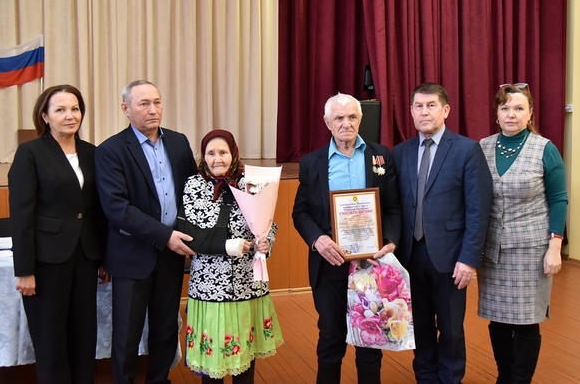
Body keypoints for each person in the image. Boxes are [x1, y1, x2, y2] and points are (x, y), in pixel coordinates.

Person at [292, 93, 402, 384]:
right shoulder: (311, 162)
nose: (346, 123)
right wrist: (318, 240)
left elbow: (393, 208)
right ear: (327, 123)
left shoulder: (380, 155)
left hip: (370, 264)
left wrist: (390, 241)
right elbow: (300, 212)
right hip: (330, 262)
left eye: (352, 117)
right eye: (339, 118)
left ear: (360, 120)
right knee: (331, 337)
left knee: (371, 340)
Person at [95, 80, 197, 384]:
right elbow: (117, 207)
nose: (153, 110)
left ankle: (159, 379)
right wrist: (165, 236)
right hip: (132, 256)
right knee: (127, 333)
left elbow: (192, 193)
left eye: (157, 102)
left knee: (165, 329)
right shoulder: (111, 150)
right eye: (144, 104)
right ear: (126, 109)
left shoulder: (178, 142)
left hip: (171, 255)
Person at [392, 82, 493, 384]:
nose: (424, 112)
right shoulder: (400, 153)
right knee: (420, 325)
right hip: (410, 256)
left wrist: (469, 259)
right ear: (411, 111)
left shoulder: (466, 150)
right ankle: (425, 377)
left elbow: (478, 209)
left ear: (445, 110)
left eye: (431, 105)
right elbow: (394, 206)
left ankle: (450, 379)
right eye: (418, 106)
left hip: (451, 258)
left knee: (450, 329)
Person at [8, 85, 108, 384]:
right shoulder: (31, 152)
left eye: (75, 109)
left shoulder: (91, 152)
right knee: (51, 340)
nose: (69, 115)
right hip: (46, 261)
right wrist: (24, 270)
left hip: (85, 257)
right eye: (60, 109)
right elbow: (21, 215)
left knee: (83, 337)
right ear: (45, 115)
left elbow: (97, 210)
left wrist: (103, 258)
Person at [477, 83, 568, 384]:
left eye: (519, 108)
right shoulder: (483, 147)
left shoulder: (545, 148)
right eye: (505, 108)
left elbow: (559, 199)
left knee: (527, 322)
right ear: (497, 113)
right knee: (498, 320)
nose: (511, 114)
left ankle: (520, 380)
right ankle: (504, 376)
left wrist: (554, 247)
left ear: (530, 114)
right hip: (493, 251)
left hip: (531, 250)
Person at [181, 129, 284, 382]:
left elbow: (268, 224)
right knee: (212, 364)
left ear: (234, 154)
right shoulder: (193, 185)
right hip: (208, 286)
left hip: (247, 283)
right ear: (203, 157)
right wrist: (230, 245)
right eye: (211, 153)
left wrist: (266, 242)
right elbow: (192, 234)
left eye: (223, 152)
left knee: (245, 359)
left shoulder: (252, 181)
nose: (217, 159)